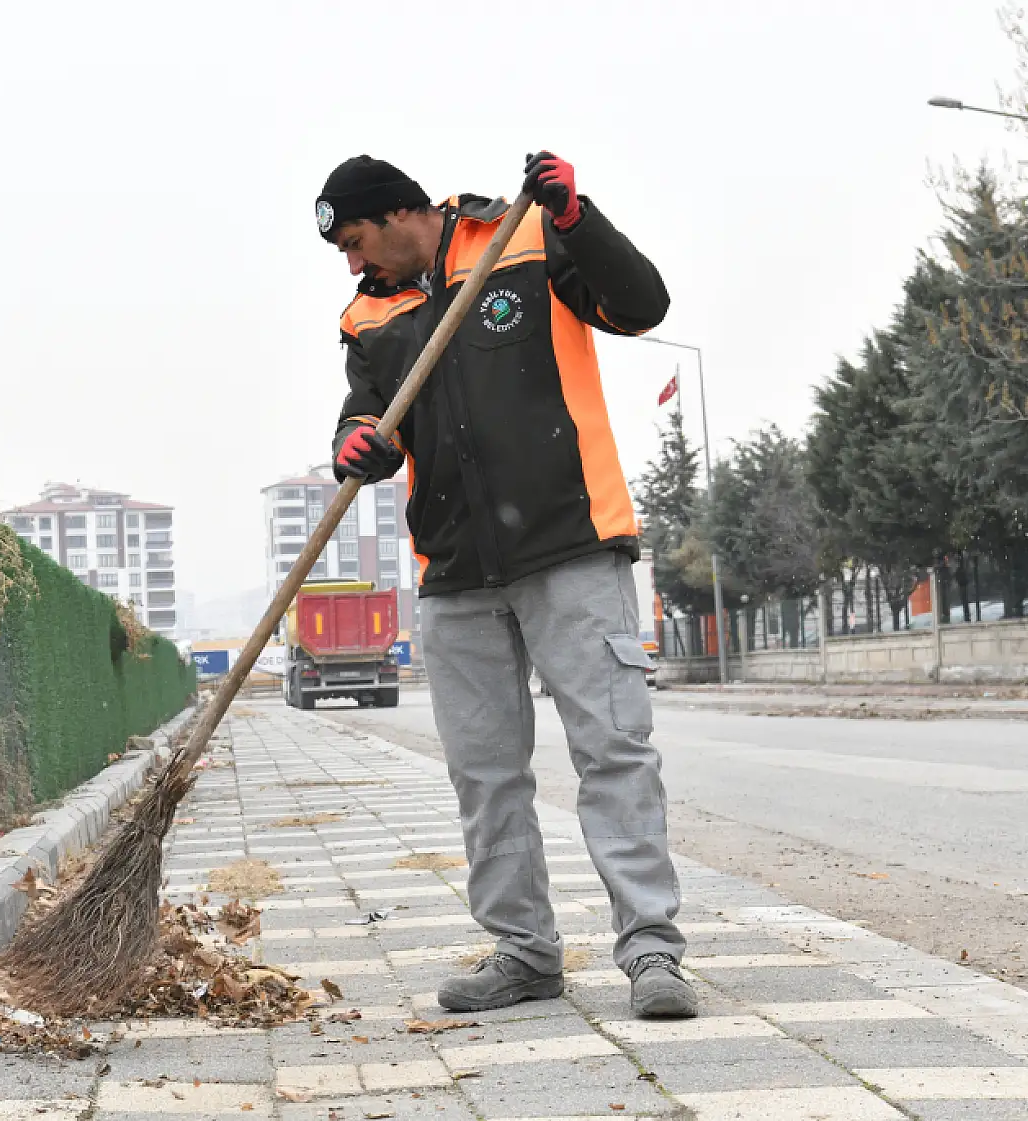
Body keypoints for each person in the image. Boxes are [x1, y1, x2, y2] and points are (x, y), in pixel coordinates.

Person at [316, 152, 696, 1019]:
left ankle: (651, 952)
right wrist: (357, 443)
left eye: (356, 240)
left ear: (398, 213)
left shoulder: (522, 238)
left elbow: (641, 306)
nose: (352, 263)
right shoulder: (368, 314)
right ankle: (523, 951)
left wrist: (576, 218)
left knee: (612, 752)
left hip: (569, 546)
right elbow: (367, 414)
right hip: (454, 573)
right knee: (486, 776)